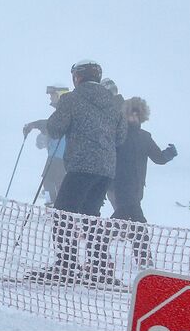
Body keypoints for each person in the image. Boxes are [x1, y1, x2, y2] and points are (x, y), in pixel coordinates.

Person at [30, 59, 126, 285]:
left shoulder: (71, 99)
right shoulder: (113, 104)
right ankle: (99, 265)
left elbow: (54, 129)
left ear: (77, 77)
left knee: (63, 213)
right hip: (106, 169)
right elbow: (120, 137)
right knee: (91, 215)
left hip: (82, 165)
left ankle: (66, 265)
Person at [109, 97, 177, 268]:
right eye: (130, 114)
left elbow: (158, 158)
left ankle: (97, 247)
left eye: (136, 114)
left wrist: (170, 153)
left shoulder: (145, 137)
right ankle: (144, 258)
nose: (133, 118)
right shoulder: (118, 135)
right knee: (138, 221)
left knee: (121, 220)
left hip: (137, 187)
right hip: (121, 185)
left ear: (141, 116)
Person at [23, 85, 69, 203]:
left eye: (52, 95)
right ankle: (52, 204)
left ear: (59, 95)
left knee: (54, 182)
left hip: (60, 155)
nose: (50, 98)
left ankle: (56, 207)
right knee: (48, 181)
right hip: (55, 154)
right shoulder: (62, 111)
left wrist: (34, 125)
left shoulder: (65, 111)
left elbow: (50, 125)